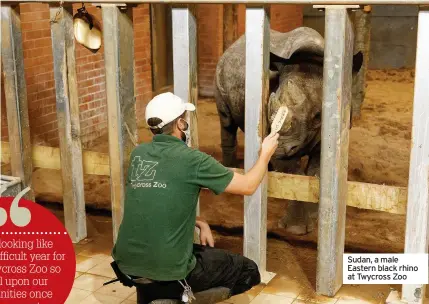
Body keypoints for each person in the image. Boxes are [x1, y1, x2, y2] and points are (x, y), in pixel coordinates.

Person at [112, 92, 279, 302]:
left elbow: (158, 203)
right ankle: (178, 297)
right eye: (185, 119)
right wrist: (265, 154)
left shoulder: (139, 154)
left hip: (126, 262)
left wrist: (201, 223)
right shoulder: (193, 160)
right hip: (168, 268)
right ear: (180, 124)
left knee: (164, 257)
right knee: (248, 271)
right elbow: (248, 185)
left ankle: (151, 292)